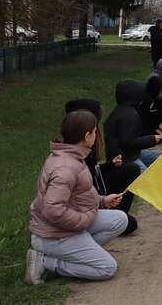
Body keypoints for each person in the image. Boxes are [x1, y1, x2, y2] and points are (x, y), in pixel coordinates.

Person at [25, 110, 128, 285]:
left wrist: (102, 200)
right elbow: (52, 209)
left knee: (120, 219)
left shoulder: (73, 156)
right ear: (86, 136)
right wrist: (82, 221)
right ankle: (46, 262)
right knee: (107, 268)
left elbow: (80, 193)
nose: (96, 136)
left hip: (68, 226)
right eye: (95, 132)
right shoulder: (65, 167)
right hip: (55, 235)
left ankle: (79, 253)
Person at [64, 99, 140, 235]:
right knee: (127, 223)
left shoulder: (87, 146)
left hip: (95, 194)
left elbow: (93, 172)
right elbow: (61, 203)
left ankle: (116, 214)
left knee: (132, 169)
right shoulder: (71, 158)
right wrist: (100, 202)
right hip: (82, 210)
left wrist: (110, 165)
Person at [103, 80, 162, 173]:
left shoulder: (121, 110)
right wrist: (151, 139)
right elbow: (128, 143)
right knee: (147, 180)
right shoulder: (130, 115)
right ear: (135, 96)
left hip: (132, 154)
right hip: (125, 159)